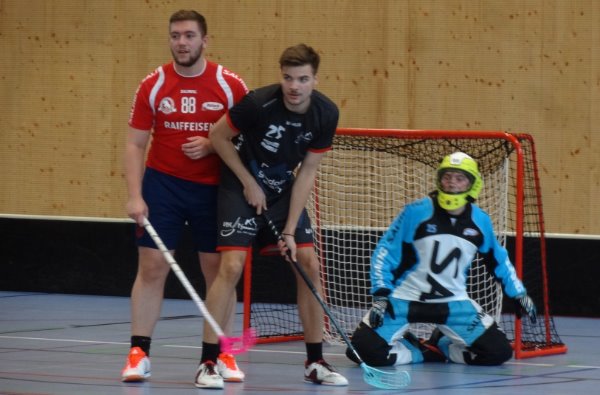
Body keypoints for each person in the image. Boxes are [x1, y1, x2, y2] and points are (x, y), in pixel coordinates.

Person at [194, 43, 349, 389]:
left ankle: (315, 361)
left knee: (308, 262)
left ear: (315, 80)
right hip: (239, 185)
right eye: (288, 78)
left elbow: (307, 172)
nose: (294, 86)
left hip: (282, 190)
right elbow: (217, 137)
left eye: (303, 79)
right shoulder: (258, 103)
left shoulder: (326, 113)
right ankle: (208, 361)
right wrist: (248, 182)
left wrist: (290, 231)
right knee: (231, 266)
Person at [121, 9, 249, 383]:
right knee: (152, 267)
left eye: (189, 36)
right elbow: (134, 143)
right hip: (163, 187)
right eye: (176, 36)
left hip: (215, 190)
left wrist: (212, 145)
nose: (182, 42)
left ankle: (222, 354)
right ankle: (138, 353)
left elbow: (247, 136)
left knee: (220, 274)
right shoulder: (153, 84)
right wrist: (134, 196)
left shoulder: (229, 85)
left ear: (205, 41)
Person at [345, 152, 538, 367]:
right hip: (403, 300)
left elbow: (498, 260)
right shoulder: (415, 213)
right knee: (360, 352)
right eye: (447, 177)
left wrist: (518, 293)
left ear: (472, 184)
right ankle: (417, 351)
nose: (452, 183)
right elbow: (385, 253)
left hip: (454, 304)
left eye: (460, 178)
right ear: (439, 179)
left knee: (498, 353)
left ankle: (443, 345)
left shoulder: (480, 220)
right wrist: (381, 295)